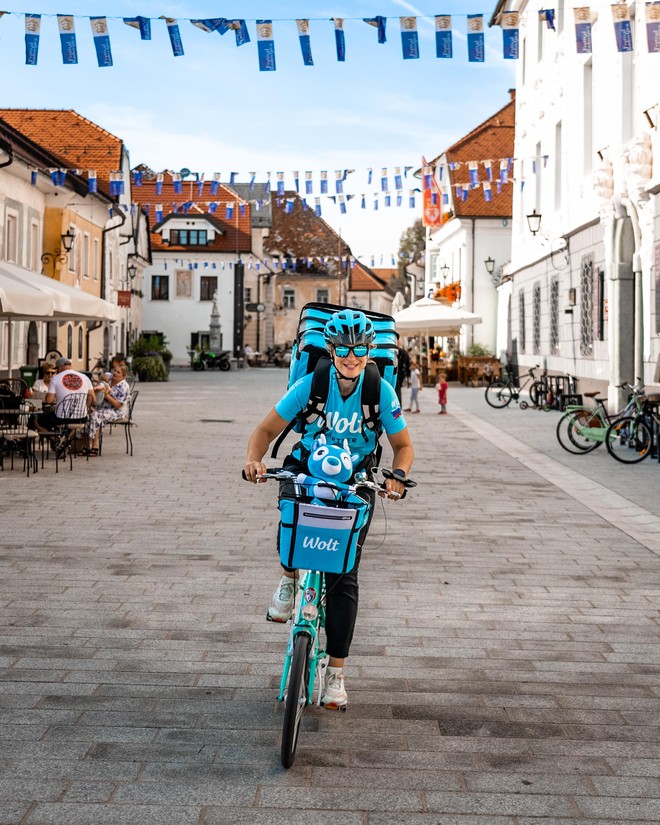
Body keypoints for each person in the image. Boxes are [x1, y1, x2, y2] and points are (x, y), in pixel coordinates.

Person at [244, 309, 414, 710]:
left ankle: (336, 672)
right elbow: (265, 431)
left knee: (343, 577)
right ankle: (289, 580)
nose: (350, 357)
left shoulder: (380, 392)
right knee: (290, 515)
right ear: (331, 350)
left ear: (370, 350)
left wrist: (397, 476)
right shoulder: (312, 383)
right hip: (306, 467)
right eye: (342, 350)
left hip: (355, 478)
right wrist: (255, 459)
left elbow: (402, 445)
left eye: (358, 350)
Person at [35, 357, 95, 436]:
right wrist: (86, 408)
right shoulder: (85, 378)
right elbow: (93, 398)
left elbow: (49, 400)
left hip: (61, 418)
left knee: (37, 421)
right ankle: (66, 440)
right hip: (82, 418)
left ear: (60, 367)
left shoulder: (55, 379)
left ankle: (55, 440)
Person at [83, 363, 130, 456]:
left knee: (96, 415)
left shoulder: (123, 386)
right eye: (114, 370)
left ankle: (95, 446)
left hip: (117, 412)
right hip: (104, 408)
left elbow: (118, 405)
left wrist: (106, 394)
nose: (115, 373)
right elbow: (101, 380)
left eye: (118, 372)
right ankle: (85, 445)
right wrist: (101, 381)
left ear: (123, 376)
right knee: (86, 413)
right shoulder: (109, 382)